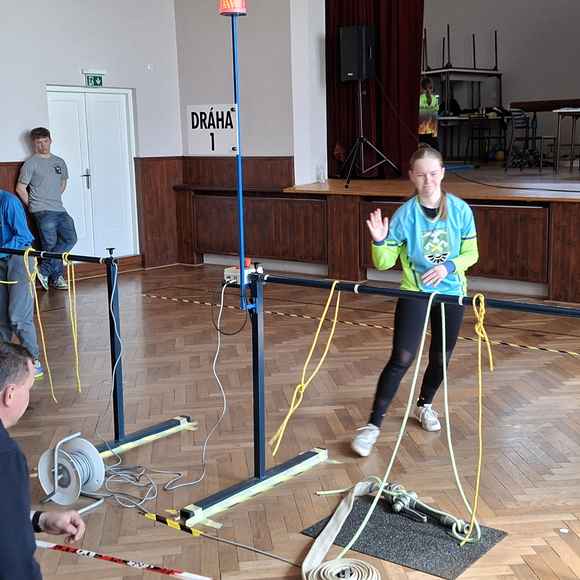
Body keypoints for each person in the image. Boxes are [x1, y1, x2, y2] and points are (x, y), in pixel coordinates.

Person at [351, 145, 479, 457]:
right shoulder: (405, 215)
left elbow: (471, 254)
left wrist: (449, 267)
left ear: (443, 173)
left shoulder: (461, 211)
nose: (428, 180)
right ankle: (372, 426)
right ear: (411, 176)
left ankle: (424, 405)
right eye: (421, 175)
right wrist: (380, 241)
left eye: (433, 174)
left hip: (451, 292)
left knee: (440, 358)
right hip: (415, 291)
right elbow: (384, 263)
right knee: (402, 357)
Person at [0, 342, 85, 579]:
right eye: (28, 388)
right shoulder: (6, 457)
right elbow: (11, 557)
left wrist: (40, 520)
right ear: (10, 394)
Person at [16, 127, 77, 291]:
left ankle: (43, 271)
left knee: (70, 238)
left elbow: (62, 184)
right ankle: (57, 278)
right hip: (41, 210)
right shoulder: (31, 163)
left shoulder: (59, 162)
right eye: (38, 142)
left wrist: (53, 197)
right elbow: (20, 188)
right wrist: (33, 206)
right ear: (33, 143)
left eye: (45, 141)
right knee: (50, 244)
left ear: (50, 140)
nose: (42, 145)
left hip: (59, 208)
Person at [0, 189, 44, 378]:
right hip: (1, 259)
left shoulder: (8, 202)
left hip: (20, 257)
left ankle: (34, 362)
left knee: (18, 316)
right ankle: (4, 363)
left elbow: (24, 236)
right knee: (1, 318)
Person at [418, 77, 439, 150]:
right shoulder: (434, 99)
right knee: (434, 153)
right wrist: (435, 134)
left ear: (421, 87)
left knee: (420, 153)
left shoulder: (418, 99)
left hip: (420, 132)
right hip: (431, 132)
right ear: (431, 88)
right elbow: (435, 118)